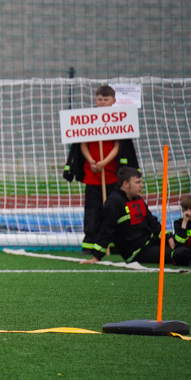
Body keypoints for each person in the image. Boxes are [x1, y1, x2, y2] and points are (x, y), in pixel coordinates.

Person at [63, 85, 139, 254]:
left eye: (106, 99)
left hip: (113, 175)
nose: (102, 102)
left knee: (114, 210)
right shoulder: (89, 119)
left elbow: (118, 145)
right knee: (92, 212)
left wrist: (104, 162)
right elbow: (82, 143)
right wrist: (91, 161)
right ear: (95, 100)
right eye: (99, 99)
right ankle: (90, 243)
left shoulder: (118, 120)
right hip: (93, 175)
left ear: (114, 100)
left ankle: (114, 244)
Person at [80, 167, 173, 265]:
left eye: (141, 182)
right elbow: (105, 231)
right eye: (137, 182)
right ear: (125, 184)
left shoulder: (137, 199)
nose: (141, 185)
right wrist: (96, 257)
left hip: (151, 243)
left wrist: (168, 237)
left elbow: (153, 223)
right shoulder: (114, 203)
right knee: (177, 253)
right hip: (137, 253)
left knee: (181, 246)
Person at [171, 194, 191, 267]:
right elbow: (179, 244)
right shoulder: (178, 223)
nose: (188, 212)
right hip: (187, 252)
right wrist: (184, 223)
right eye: (185, 209)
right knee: (179, 253)